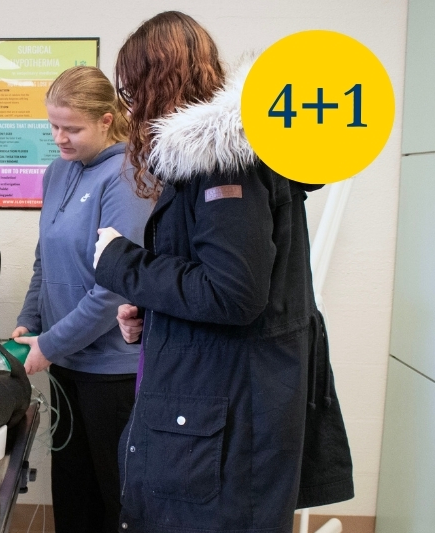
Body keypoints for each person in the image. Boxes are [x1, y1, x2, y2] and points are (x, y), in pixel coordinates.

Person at [93, 11, 353, 533]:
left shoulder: (221, 161)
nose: (129, 108)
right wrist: (151, 310)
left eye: (131, 91)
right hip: (222, 409)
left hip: (222, 425)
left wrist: (121, 262)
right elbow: (220, 273)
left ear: (157, 84)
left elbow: (233, 292)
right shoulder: (221, 157)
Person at [11, 66, 152, 533]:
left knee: (114, 498)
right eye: (53, 126)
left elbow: (116, 285)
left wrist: (50, 344)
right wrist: (29, 322)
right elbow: (44, 259)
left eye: (72, 128)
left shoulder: (127, 174)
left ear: (108, 120)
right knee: (72, 492)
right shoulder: (57, 173)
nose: (60, 138)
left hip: (111, 372)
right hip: (65, 364)